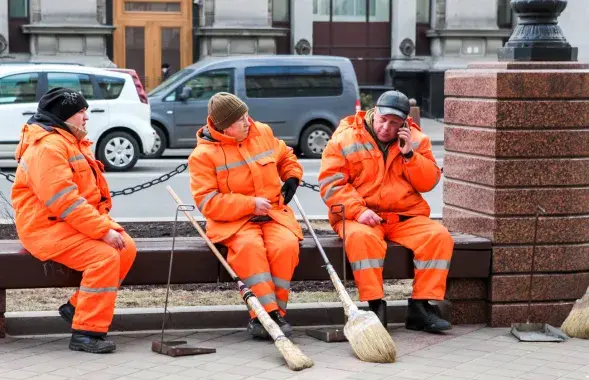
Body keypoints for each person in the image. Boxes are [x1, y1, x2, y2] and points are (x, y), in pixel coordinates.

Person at [11, 87, 137, 353]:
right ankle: (86, 333)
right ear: (64, 115)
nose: (86, 117)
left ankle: (77, 307)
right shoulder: (48, 147)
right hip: (44, 227)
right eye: (81, 111)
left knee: (126, 247)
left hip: (65, 223)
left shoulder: (69, 140)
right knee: (105, 256)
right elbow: (65, 201)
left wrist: (104, 227)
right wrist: (103, 231)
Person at [318, 90, 453, 333]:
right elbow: (331, 184)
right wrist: (358, 211)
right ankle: (375, 306)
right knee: (362, 239)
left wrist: (409, 154)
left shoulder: (417, 140)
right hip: (358, 216)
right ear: (374, 113)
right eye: (383, 120)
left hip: (405, 216)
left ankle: (420, 308)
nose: (386, 128)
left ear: (404, 124)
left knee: (438, 236)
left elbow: (428, 182)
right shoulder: (345, 138)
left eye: (394, 123)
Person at [188, 92, 303, 339]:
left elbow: (285, 155)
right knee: (250, 250)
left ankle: (274, 316)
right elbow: (208, 203)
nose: (248, 122)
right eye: (241, 119)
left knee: (285, 246)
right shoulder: (203, 156)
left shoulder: (261, 132)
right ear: (224, 127)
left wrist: (292, 176)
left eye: (247, 115)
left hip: (273, 214)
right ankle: (265, 315)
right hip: (235, 223)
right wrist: (249, 204)